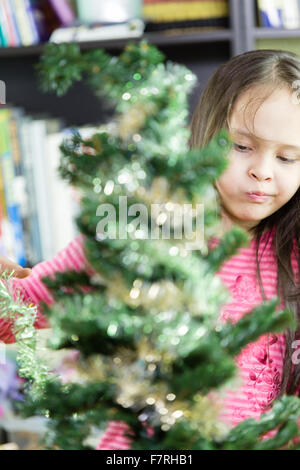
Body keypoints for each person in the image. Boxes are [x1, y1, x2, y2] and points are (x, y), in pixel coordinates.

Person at [1, 48, 300, 449]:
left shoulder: (293, 254)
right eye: (242, 146)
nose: (262, 171)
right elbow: (21, 309)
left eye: (286, 157)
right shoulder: (141, 229)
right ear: (205, 132)